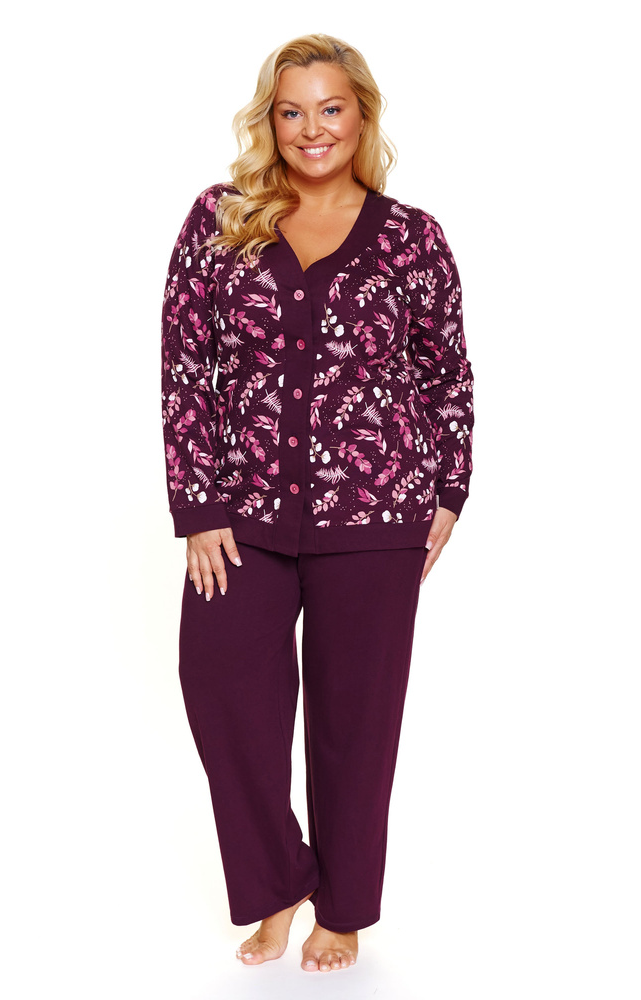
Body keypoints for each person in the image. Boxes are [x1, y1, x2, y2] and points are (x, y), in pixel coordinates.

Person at [160, 32, 474, 974]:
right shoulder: (220, 221)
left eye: (330, 108)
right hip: (240, 515)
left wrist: (449, 491)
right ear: (269, 120)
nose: (311, 129)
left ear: (360, 114)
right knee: (220, 689)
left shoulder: (412, 238)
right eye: (291, 111)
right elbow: (185, 369)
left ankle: (342, 909)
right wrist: (197, 503)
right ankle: (278, 881)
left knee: (356, 723)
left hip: (378, 515)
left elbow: (445, 376)